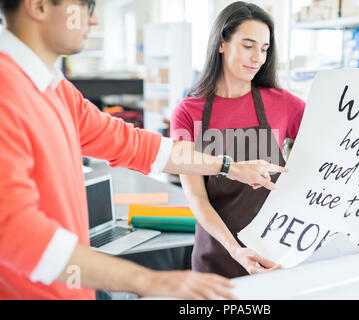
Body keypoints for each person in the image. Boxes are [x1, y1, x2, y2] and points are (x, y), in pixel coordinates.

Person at [0, 0, 289, 300]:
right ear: (38, 6)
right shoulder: (6, 90)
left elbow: (138, 146)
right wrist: (149, 281)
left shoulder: (56, 90)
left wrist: (228, 166)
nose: (94, 20)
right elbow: (15, 232)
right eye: (86, 6)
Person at [170, 1, 359, 279]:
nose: (257, 58)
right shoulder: (188, 112)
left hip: (275, 255)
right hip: (216, 256)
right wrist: (236, 249)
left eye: (264, 49)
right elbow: (197, 198)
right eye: (248, 45)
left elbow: (348, 139)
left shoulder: (283, 104)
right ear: (221, 43)